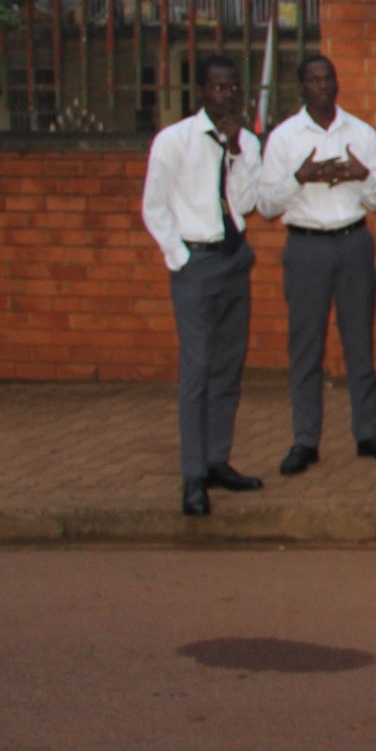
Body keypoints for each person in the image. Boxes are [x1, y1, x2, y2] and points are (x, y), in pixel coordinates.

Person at [258, 54, 376, 477]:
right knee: (306, 346)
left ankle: (368, 432)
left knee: (360, 342)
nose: (322, 86)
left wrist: (360, 174)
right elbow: (266, 205)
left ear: (337, 83)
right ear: (301, 87)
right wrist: (300, 177)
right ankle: (305, 440)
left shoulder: (360, 132)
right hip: (307, 247)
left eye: (328, 78)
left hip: (353, 242)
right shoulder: (284, 138)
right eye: (314, 80)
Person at [142, 55, 264, 516]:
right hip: (195, 261)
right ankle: (193, 476)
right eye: (217, 87)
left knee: (228, 366)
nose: (226, 95)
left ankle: (217, 460)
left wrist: (236, 153)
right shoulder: (174, 141)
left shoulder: (247, 142)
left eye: (232, 87)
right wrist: (180, 257)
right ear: (201, 92)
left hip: (233, 258)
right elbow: (154, 207)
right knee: (197, 369)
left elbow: (246, 203)